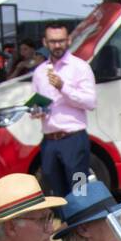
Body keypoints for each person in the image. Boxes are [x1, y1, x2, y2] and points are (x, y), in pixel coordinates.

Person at [31, 22, 97, 198]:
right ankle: (66, 224)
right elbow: (37, 102)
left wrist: (63, 87)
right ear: (45, 43)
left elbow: (90, 102)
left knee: (80, 189)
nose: (57, 45)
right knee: (54, 192)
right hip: (50, 140)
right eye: (53, 41)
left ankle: (84, 223)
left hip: (73, 139)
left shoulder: (80, 67)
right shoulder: (39, 72)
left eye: (61, 41)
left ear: (68, 40)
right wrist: (35, 111)